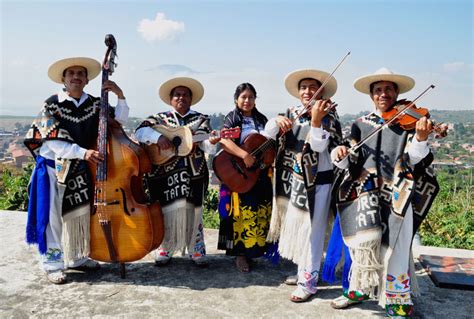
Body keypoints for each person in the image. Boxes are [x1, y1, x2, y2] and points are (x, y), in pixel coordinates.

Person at [330, 68, 439, 317]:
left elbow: (414, 159)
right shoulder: (360, 124)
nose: (383, 94)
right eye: (378, 90)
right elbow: (351, 159)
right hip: (366, 194)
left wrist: (420, 138)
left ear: (396, 93)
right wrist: (339, 155)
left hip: (398, 194)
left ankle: (397, 300)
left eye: (388, 89)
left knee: (397, 249)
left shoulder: (408, 123)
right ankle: (358, 288)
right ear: (371, 95)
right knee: (362, 244)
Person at [24, 57, 129, 284]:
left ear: (87, 79)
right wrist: (83, 153)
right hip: (55, 169)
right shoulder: (51, 104)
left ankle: (77, 257)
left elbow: (118, 122)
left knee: (80, 213)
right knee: (54, 218)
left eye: (80, 73)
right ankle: (52, 263)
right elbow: (51, 141)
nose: (76, 77)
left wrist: (120, 96)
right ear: (63, 79)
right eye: (70, 73)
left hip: (81, 169)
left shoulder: (95, 103)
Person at [265, 69, 343, 302]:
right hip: (295, 180)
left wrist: (317, 121)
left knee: (313, 229)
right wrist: (275, 121)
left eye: (313, 87)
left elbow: (319, 147)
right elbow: (268, 134)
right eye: (304, 87)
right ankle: (306, 272)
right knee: (301, 227)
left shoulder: (329, 115)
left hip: (319, 180)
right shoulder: (292, 113)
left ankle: (308, 282)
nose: (308, 91)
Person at [135, 77, 220, 267]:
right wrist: (157, 138)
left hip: (193, 173)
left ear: (191, 98)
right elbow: (140, 133)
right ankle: (166, 248)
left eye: (185, 95)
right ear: (170, 99)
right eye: (177, 95)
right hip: (163, 173)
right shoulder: (158, 119)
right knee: (166, 210)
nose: (181, 98)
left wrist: (212, 141)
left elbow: (208, 147)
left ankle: (195, 248)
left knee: (194, 211)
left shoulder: (201, 120)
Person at [216, 82, 273, 272]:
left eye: (251, 97)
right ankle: (239, 256)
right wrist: (244, 155)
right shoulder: (232, 118)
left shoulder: (262, 119)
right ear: (236, 99)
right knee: (240, 215)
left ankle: (253, 252)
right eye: (243, 97)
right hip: (239, 173)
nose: (247, 101)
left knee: (258, 212)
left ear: (255, 100)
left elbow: (268, 144)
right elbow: (224, 140)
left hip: (258, 173)